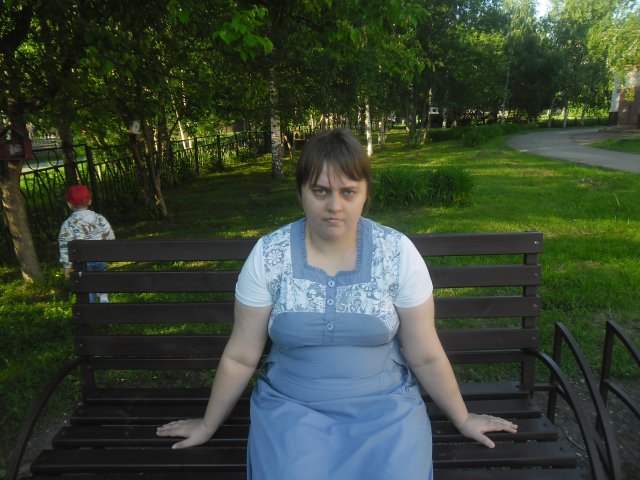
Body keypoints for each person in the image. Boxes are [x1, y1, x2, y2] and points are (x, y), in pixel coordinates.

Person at [156, 128, 518, 479]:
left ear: (365, 193)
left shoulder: (397, 253)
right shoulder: (269, 255)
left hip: (386, 409)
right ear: (301, 192)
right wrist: (207, 425)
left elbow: (425, 353)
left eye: (348, 192)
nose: (334, 206)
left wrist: (463, 418)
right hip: (292, 409)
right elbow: (241, 354)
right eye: (320, 191)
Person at [58, 184, 115, 303]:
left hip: (82, 262)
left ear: (69, 204)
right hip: (100, 258)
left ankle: (90, 304)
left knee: (86, 282)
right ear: (89, 201)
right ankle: (103, 297)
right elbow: (109, 235)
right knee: (100, 276)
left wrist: (67, 265)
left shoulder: (68, 224)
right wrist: (110, 253)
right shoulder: (100, 218)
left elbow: (64, 245)